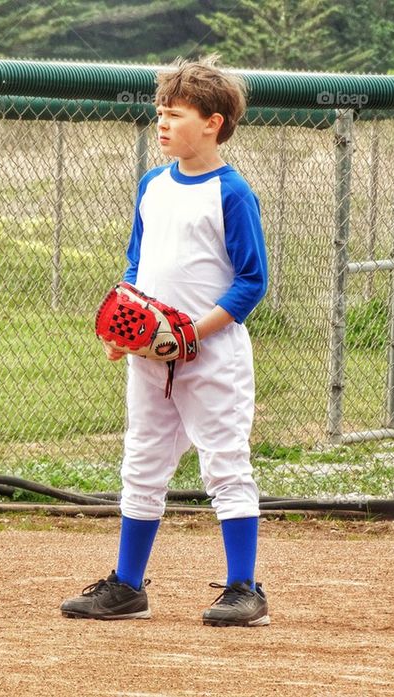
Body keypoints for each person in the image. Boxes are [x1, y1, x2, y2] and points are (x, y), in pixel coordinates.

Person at [60, 55, 270, 626]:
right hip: (151, 358)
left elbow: (253, 281)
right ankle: (128, 587)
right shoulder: (153, 185)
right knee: (143, 464)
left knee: (226, 465)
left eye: (175, 114)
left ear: (214, 123)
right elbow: (137, 265)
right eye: (160, 113)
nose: (162, 123)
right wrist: (124, 331)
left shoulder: (231, 192)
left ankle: (245, 589)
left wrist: (189, 334)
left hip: (212, 356)